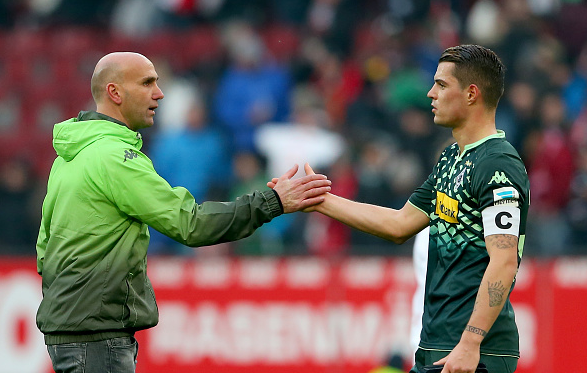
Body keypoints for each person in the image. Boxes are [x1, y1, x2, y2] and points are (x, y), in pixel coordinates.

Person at [35, 51, 332, 373]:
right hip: (96, 333)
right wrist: (272, 201)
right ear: (115, 93)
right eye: (147, 83)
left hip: (72, 328)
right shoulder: (113, 158)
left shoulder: (69, 157)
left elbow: (44, 248)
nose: (159, 93)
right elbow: (191, 224)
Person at [274, 45, 530, 373]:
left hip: (474, 352)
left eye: (441, 85)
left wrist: (471, 342)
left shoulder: (498, 164)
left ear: (471, 94)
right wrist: (320, 200)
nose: (430, 93)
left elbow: (504, 259)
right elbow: (399, 224)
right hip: (435, 345)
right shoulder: (452, 159)